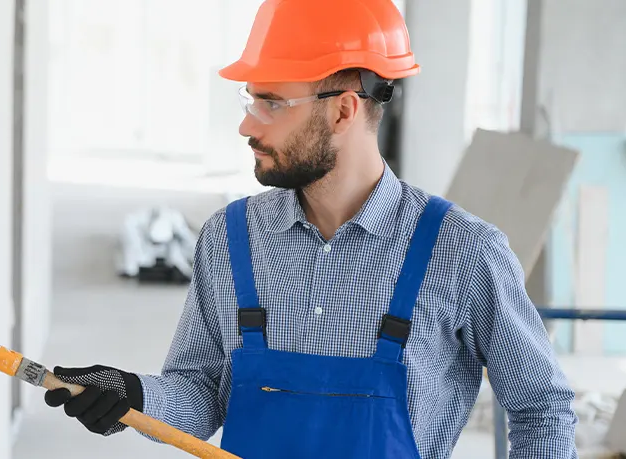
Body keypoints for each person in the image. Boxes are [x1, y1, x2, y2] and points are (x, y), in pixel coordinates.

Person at [43, 0, 579, 457]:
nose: (247, 125)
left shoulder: (461, 252)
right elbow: (203, 395)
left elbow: (542, 409)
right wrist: (134, 398)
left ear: (344, 111)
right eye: (251, 99)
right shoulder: (230, 239)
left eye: (272, 103)